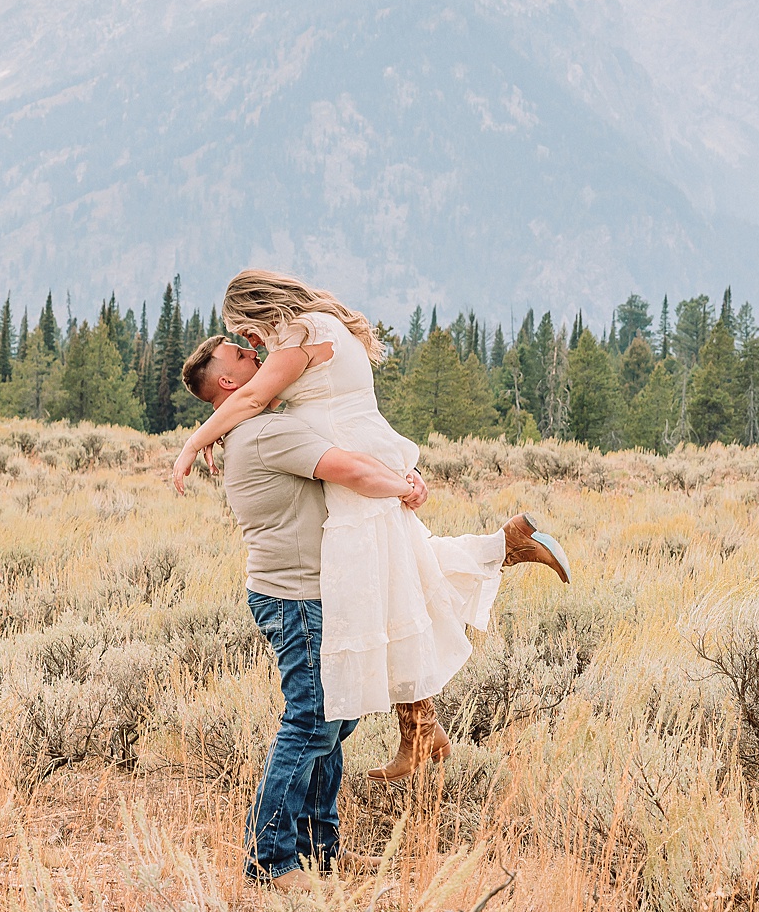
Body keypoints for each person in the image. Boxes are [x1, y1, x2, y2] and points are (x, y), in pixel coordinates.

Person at [174, 271, 571, 790]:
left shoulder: (297, 335)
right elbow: (253, 402)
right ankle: (500, 553)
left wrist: (193, 441)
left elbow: (250, 401)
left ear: (259, 310)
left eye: (247, 333)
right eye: (243, 345)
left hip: (353, 457)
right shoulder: (319, 326)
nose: (254, 346)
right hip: (362, 449)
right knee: (396, 578)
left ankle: (501, 553)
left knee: (388, 586)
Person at [176, 335, 429, 888]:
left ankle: (319, 849)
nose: (259, 356)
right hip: (297, 599)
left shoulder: (259, 429)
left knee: (334, 714)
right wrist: (404, 488)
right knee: (315, 719)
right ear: (228, 383)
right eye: (244, 356)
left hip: (303, 594)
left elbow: (350, 453)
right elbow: (352, 471)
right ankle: (271, 860)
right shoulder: (268, 432)